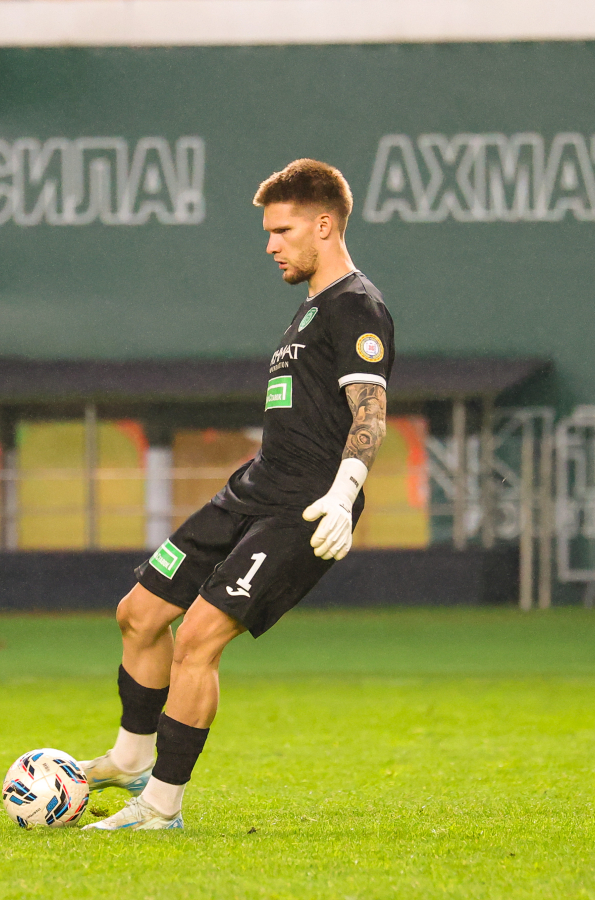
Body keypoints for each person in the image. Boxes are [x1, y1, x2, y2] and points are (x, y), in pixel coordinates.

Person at [80, 159, 394, 831]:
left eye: (282, 231)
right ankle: (131, 757)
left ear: (324, 225)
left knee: (197, 640)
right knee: (139, 613)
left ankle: (160, 807)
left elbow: (370, 412)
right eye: (268, 232)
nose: (270, 245)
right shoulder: (308, 311)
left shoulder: (357, 306)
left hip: (303, 506)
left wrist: (345, 494)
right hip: (252, 488)